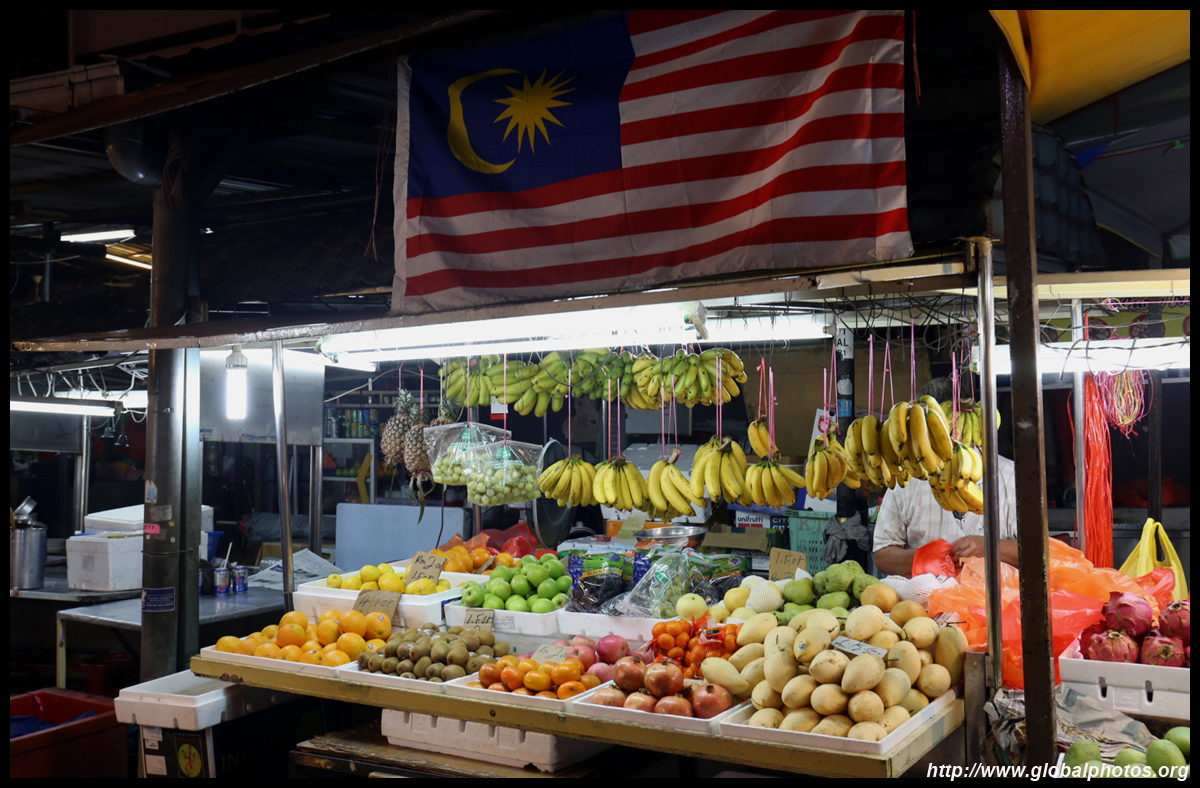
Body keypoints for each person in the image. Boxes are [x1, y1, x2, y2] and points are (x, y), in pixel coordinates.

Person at [872, 377, 1020, 577]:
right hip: (925, 595)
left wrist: (991, 548)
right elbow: (882, 555)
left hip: (997, 594)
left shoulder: (1010, 476)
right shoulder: (906, 480)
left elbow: (1039, 550)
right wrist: (924, 557)